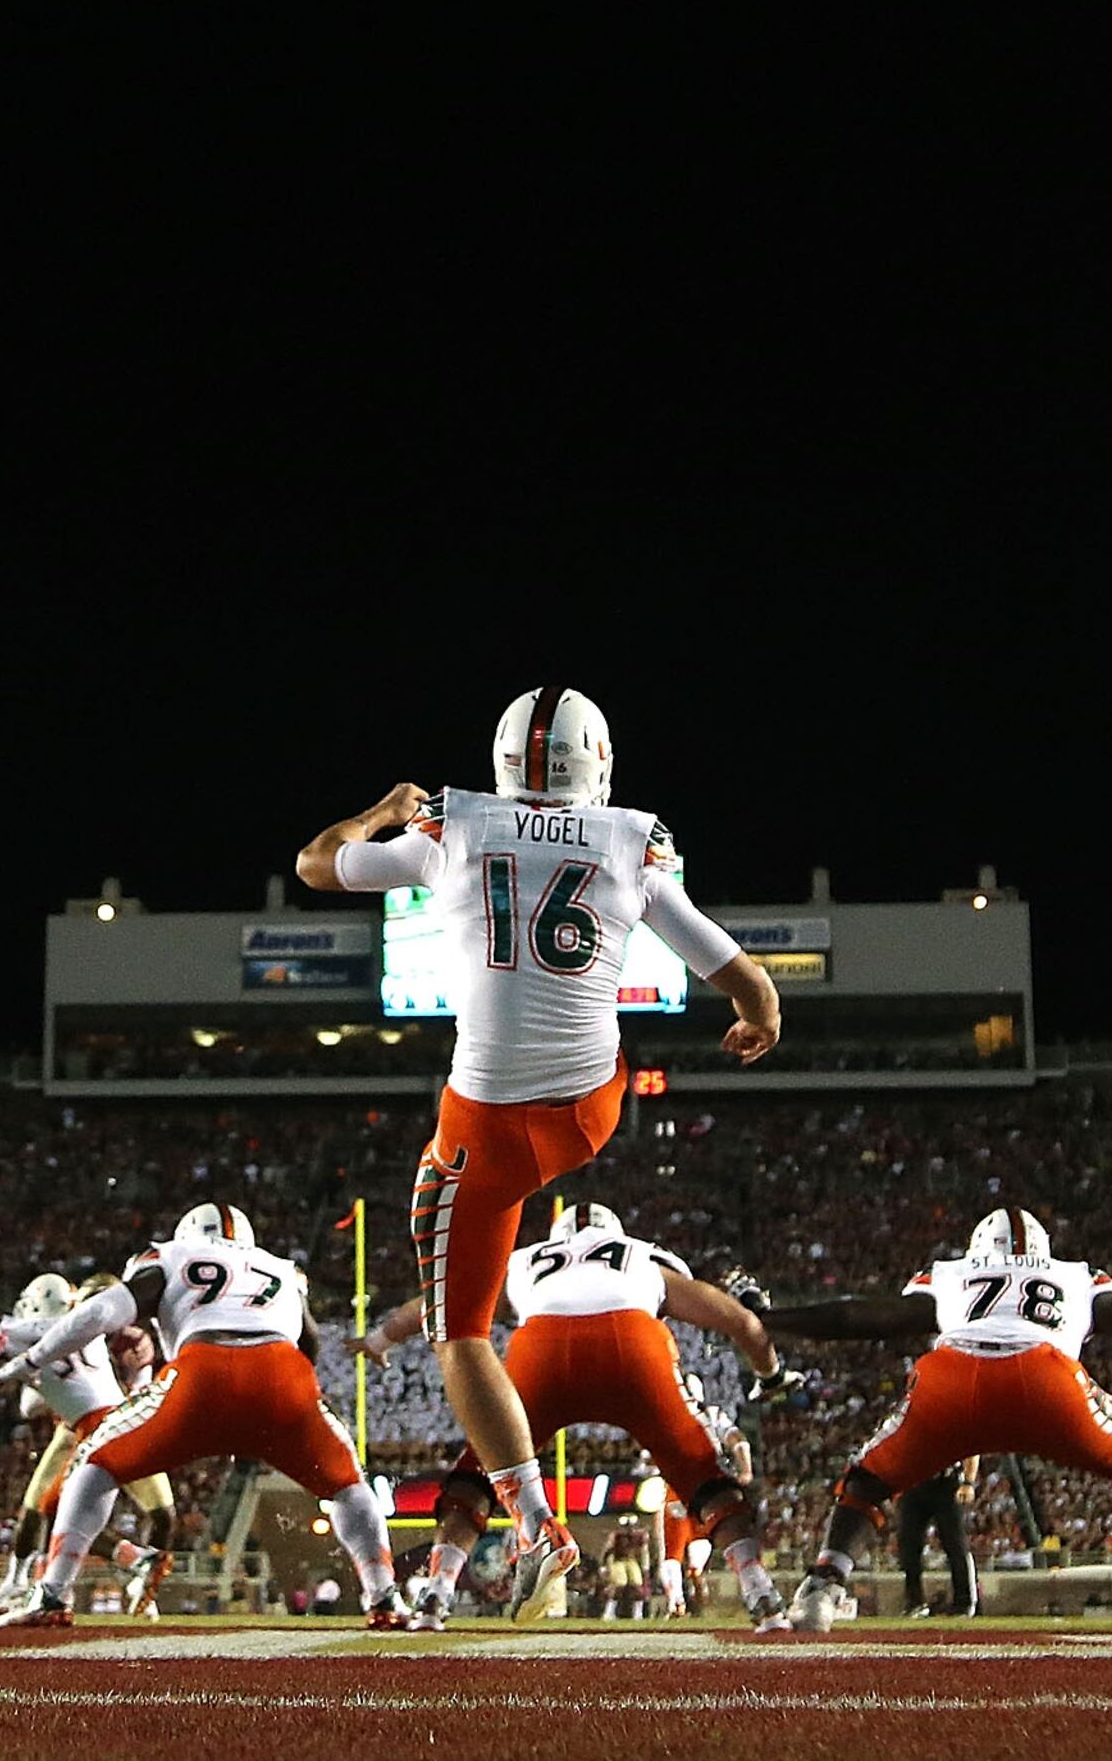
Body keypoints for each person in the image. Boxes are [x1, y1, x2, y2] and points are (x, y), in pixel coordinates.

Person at [297, 688, 785, 1611]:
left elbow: (316, 864)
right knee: (511, 1166)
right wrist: (760, 1016)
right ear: (597, 759)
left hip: (485, 1125)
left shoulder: (453, 826)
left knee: (461, 1330)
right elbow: (738, 972)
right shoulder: (631, 838)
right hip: (592, 1109)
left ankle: (531, 1524)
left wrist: (386, 811)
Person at [763, 1207, 1112, 1634]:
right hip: (1046, 1380)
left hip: (954, 1379)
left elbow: (858, 1318)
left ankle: (820, 1591)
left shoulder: (948, 1273)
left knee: (868, 1477)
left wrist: (770, 1320)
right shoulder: (1075, 1275)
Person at [367, 1202, 794, 1628]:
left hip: (540, 1349)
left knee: (478, 1477)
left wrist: (381, 1338)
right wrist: (770, 1375)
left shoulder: (525, 1261)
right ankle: (762, 1595)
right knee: (704, 1478)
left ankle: (436, 1596)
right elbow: (741, 1322)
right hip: (633, 1346)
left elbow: (441, 1302)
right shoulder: (641, 1255)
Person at [0, 1201, 408, 1628]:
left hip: (202, 1372)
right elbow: (309, 1342)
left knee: (94, 1462)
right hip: (283, 1376)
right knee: (348, 1484)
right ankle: (384, 1596)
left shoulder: (170, 1254)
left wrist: (34, 1358)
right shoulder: (278, 1266)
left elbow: (102, 1312)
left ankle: (53, 1594)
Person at [0, 1275, 178, 1621]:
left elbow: (2, 1353)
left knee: (63, 1509)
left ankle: (60, 1593)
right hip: (107, 1423)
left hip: (99, 1426)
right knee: (56, 1506)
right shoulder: (94, 1334)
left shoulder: (57, 1332)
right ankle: (53, 1594)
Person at [894, 1456, 978, 1616]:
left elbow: (972, 1451)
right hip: (914, 1482)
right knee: (908, 1544)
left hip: (946, 1483)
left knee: (955, 1544)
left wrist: (968, 1483)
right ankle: (914, 1601)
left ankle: (964, 1601)